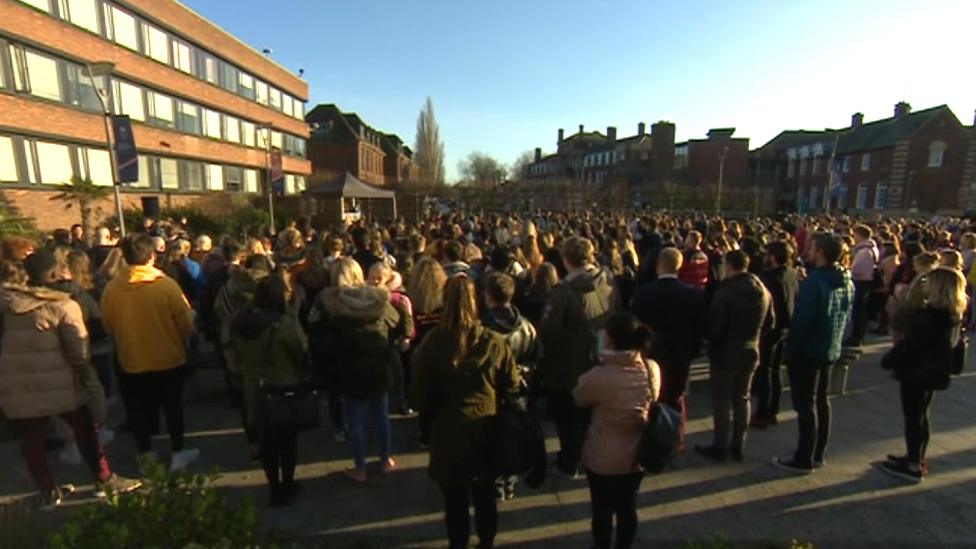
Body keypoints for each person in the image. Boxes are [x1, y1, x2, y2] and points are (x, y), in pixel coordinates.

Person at [0, 253, 140, 509]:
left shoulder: (8, 305)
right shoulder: (64, 306)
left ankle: (47, 490)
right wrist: (90, 381)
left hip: (17, 384)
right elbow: (79, 354)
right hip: (62, 382)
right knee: (86, 429)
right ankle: (104, 479)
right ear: (55, 275)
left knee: (32, 438)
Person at [409, 276, 521, 549]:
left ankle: (458, 543)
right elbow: (512, 383)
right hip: (485, 425)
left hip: (448, 428)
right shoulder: (493, 341)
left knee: (455, 500)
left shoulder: (433, 343)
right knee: (484, 496)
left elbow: (418, 395)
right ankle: (486, 542)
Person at [100, 234, 199, 471]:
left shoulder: (112, 289)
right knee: (173, 408)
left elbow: (108, 325)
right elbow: (185, 324)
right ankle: (178, 453)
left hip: (131, 359)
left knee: (137, 411)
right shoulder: (166, 286)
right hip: (169, 357)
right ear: (152, 256)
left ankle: (146, 455)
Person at [308, 258, 404, 482]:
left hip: (349, 367)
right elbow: (395, 319)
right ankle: (385, 459)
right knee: (381, 415)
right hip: (378, 364)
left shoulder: (331, 304)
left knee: (355, 420)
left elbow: (320, 334)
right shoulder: (376, 299)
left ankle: (360, 467)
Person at [573, 312, 659, 549]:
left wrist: (602, 354)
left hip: (601, 453)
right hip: (635, 453)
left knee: (601, 508)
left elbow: (579, 398)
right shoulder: (650, 369)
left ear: (609, 338)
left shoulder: (598, 376)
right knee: (627, 506)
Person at [538, 236, 619, 478]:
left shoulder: (563, 293)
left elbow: (548, 332)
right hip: (601, 357)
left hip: (568, 366)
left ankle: (570, 461)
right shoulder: (608, 282)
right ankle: (590, 456)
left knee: (569, 417)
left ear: (566, 260)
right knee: (592, 415)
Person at [773, 233, 854, 474]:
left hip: (808, 349)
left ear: (820, 252)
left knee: (805, 403)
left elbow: (802, 321)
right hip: (830, 347)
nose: (807, 249)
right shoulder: (845, 280)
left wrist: (791, 352)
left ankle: (803, 456)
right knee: (822, 400)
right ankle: (818, 452)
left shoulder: (814, 283)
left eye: (812, 247)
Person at [880, 268, 966, 482]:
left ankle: (913, 465)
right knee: (921, 416)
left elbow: (911, 346)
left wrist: (890, 360)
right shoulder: (951, 315)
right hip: (933, 372)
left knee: (914, 418)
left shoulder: (930, 318)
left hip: (918, 372)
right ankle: (915, 456)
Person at [230, 275, 309, 505]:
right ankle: (288, 484)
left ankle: (274, 487)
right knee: (287, 442)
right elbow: (297, 353)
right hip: (283, 386)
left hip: (254, 387)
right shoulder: (281, 324)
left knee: (267, 442)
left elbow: (234, 353)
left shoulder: (239, 322)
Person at [696, 250, 773, 462]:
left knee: (721, 400)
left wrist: (711, 342)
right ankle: (738, 444)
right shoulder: (763, 290)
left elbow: (715, 326)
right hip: (751, 348)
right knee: (742, 398)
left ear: (729, 266)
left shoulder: (726, 292)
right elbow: (771, 322)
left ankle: (720, 445)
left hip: (726, 351)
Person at [630, 247, 704, 452]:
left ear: (659, 265)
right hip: (680, 355)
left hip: (650, 354)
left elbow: (636, 325)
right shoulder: (693, 295)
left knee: (648, 399)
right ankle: (676, 442)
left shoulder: (644, 293)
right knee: (676, 399)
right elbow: (699, 328)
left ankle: (648, 441)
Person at [481, 271, 538, 500]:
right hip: (519, 388)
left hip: (492, 389)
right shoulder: (526, 326)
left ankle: (496, 481)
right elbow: (536, 356)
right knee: (513, 433)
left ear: (488, 296)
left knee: (492, 435)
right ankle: (510, 480)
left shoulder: (484, 329)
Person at [752, 240, 798, 428]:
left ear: (773, 257)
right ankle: (773, 408)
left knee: (765, 371)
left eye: (767, 254)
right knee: (775, 370)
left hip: (771, 330)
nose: (764, 257)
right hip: (785, 329)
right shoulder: (791, 274)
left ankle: (764, 411)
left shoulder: (771, 279)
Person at [845, 225, 879, 347]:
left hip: (861, 282)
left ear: (860, 235)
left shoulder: (864, 251)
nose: (853, 237)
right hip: (866, 281)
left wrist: (848, 270)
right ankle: (857, 336)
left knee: (859, 312)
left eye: (855, 235)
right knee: (860, 310)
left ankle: (856, 337)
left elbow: (857, 269)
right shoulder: (871, 248)